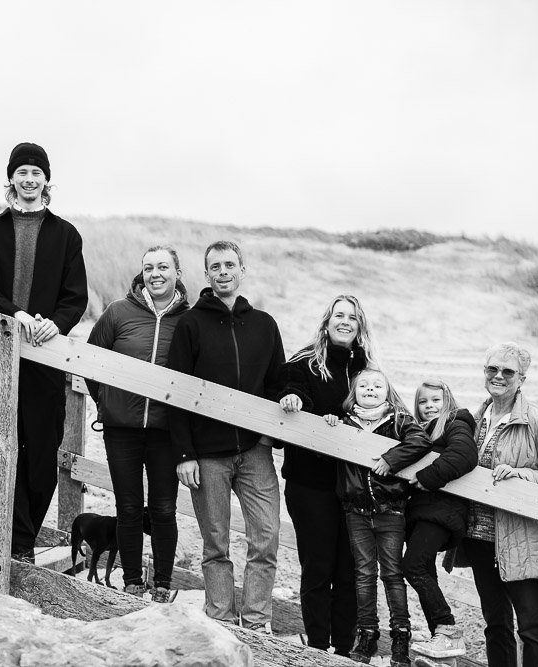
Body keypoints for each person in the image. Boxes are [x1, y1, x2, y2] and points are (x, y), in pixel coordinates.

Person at [0, 142, 88, 562]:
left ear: (45, 180)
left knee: (42, 448)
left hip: (45, 356)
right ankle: (11, 541)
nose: (29, 179)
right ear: (11, 179)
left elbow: (76, 296)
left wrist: (58, 322)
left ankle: (25, 536)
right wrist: (15, 313)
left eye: (36, 172)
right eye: (22, 172)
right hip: (0, 355)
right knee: (2, 443)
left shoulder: (66, 234)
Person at [166, 240, 285, 633]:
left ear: (242, 270)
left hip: (254, 452)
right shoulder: (191, 324)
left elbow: (276, 383)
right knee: (216, 545)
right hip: (207, 454)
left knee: (265, 539)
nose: (223, 272)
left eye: (229, 265)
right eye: (214, 266)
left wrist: (270, 436)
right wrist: (184, 454)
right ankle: (220, 622)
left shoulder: (264, 324)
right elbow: (177, 391)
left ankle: (254, 624)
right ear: (206, 274)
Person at [457, 342, 538, 666]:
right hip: (480, 539)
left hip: (523, 540)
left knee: (532, 626)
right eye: (492, 369)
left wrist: (523, 475)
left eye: (508, 371)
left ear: (522, 378)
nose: (498, 376)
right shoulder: (475, 418)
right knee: (495, 625)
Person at [86, 245, 189, 602]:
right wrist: (106, 402)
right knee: (128, 507)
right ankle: (131, 581)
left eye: (163, 267)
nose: (155, 273)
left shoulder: (189, 319)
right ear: (141, 273)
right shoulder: (117, 312)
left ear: (178, 272)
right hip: (121, 429)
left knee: (163, 508)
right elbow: (91, 361)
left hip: (166, 432)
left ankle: (161, 582)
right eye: (148, 268)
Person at [278, 295, 376, 656]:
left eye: (352, 317)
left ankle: (344, 648)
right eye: (339, 315)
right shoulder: (305, 363)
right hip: (310, 483)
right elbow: (292, 390)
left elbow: (385, 410)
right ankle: (318, 646)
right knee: (318, 566)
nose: (345, 321)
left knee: (349, 570)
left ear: (359, 326)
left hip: (352, 488)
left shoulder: (367, 370)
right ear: (327, 322)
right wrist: (293, 399)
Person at [326, 368, 430, 667]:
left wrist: (390, 459)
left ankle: (400, 636)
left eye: (377, 385)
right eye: (363, 385)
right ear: (354, 392)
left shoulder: (399, 421)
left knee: (393, 575)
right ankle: (368, 632)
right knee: (363, 574)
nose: (370, 389)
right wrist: (330, 425)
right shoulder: (344, 421)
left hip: (391, 510)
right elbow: (324, 449)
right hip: (355, 511)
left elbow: (420, 442)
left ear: (388, 392)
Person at [403, 379, 478, 660]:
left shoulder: (455, 421)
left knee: (412, 566)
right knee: (424, 570)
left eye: (435, 400)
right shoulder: (421, 429)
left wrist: (427, 477)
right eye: (423, 402)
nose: (429, 406)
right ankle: (443, 644)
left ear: (447, 400)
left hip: (442, 511)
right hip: (426, 512)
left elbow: (464, 454)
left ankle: (448, 630)